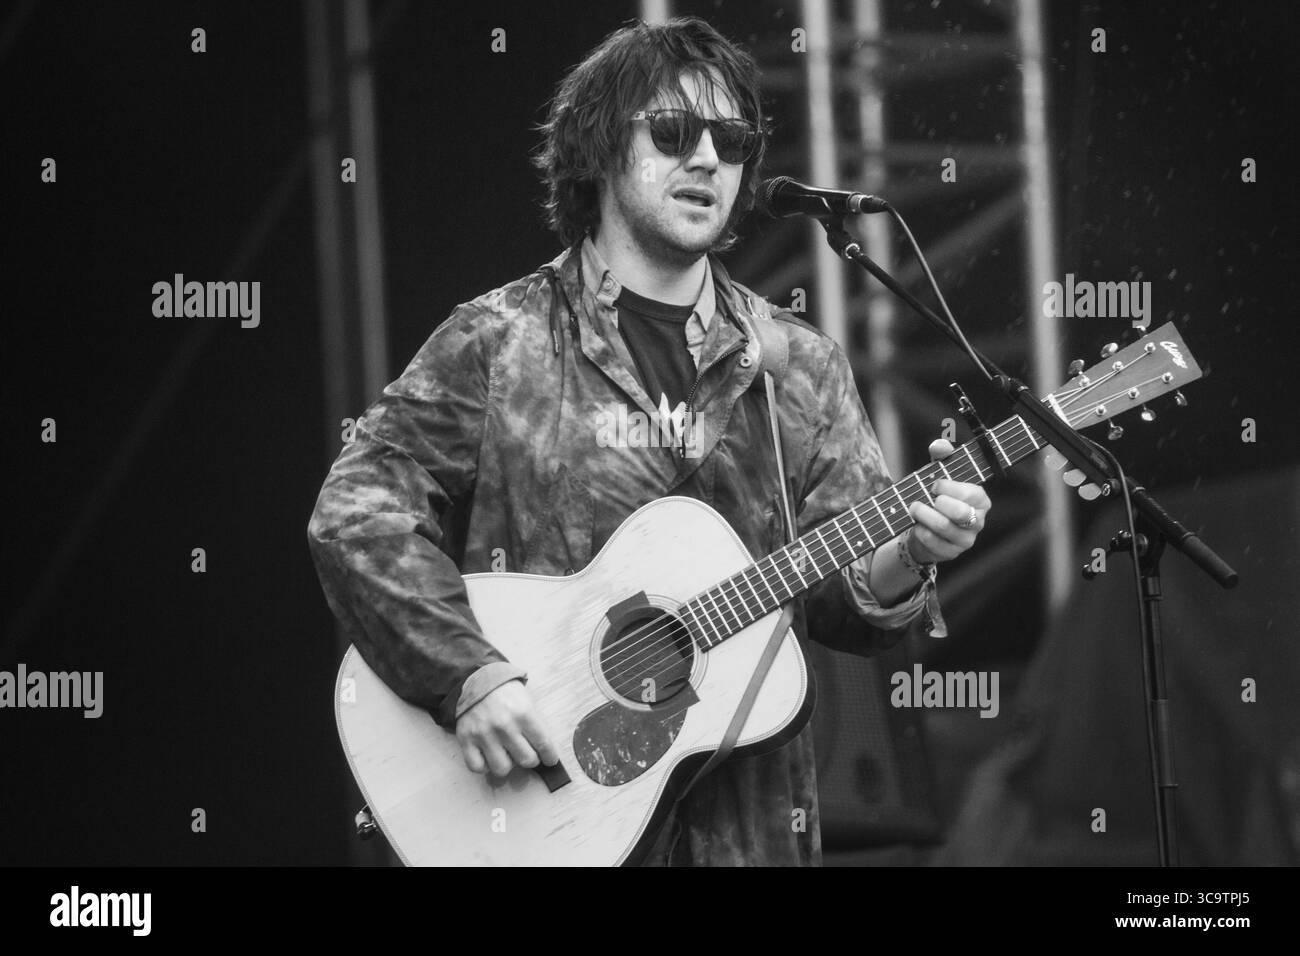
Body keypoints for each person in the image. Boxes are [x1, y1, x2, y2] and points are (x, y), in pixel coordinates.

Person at [307, 15, 991, 866]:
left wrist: (913, 552)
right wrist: (468, 677)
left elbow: (846, 598)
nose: (707, 157)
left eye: (732, 139)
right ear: (599, 150)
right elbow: (357, 516)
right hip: (533, 812)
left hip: (747, 834)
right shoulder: (499, 341)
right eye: (673, 131)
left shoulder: (797, 365)